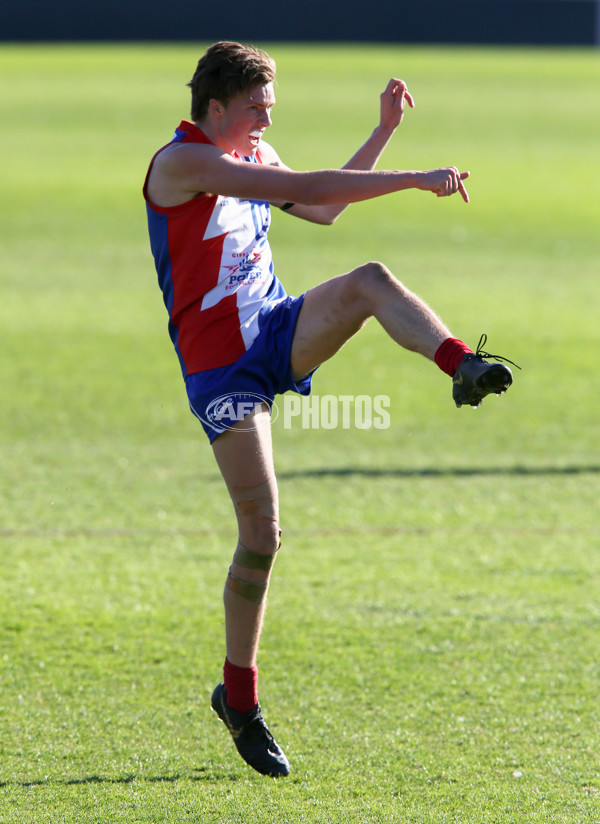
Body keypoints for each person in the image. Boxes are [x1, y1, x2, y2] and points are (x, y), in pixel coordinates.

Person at [143, 41, 516, 778]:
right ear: (215, 107)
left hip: (276, 329)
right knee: (263, 535)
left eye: (269, 107)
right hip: (221, 370)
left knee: (369, 279)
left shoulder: (249, 151)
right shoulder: (180, 164)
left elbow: (322, 205)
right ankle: (239, 700)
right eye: (255, 107)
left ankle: (461, 365)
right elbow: (307, 180)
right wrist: (413, 178)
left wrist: (383, 135)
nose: (267, 116)